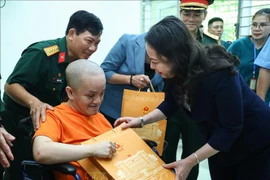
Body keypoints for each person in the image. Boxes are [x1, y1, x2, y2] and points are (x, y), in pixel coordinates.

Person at [114, 15, 270, 180]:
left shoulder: (218, 73)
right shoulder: (174, 72)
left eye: (155, 61)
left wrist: (190, 161)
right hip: (219, 140)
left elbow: (230, 128)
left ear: (176, 56)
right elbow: (170, 103)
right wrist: (141, 121)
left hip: (254, 138)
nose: (152, 67)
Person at [1, 10, 103, 180]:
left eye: (97, 43)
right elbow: (11, 85)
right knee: (22, 170)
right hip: (19, 126)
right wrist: (34, 103)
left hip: (48, 126)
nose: (93, 48)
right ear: (71, 34)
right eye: (89, 41)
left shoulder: (79, 62)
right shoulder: (42, 53)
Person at [32, 60, 115, 180]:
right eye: (90, 96)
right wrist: (92, 149)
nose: (98, 101)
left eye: (102, 94)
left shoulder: (100, 117)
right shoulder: (55, 116)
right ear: (70, 93)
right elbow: (41, 152)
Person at [99, 33, 164, 126]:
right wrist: (130, 79)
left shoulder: (167, 54)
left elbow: (161, 86)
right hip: (113, 111)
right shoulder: (128, 42)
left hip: (142, 114)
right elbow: (103, 72)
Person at [227, 8, 270, 106]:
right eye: (254, 24)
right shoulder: (239, 45)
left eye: (263, 25)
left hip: (265, 101)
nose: (257, 28)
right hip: (239, 98)